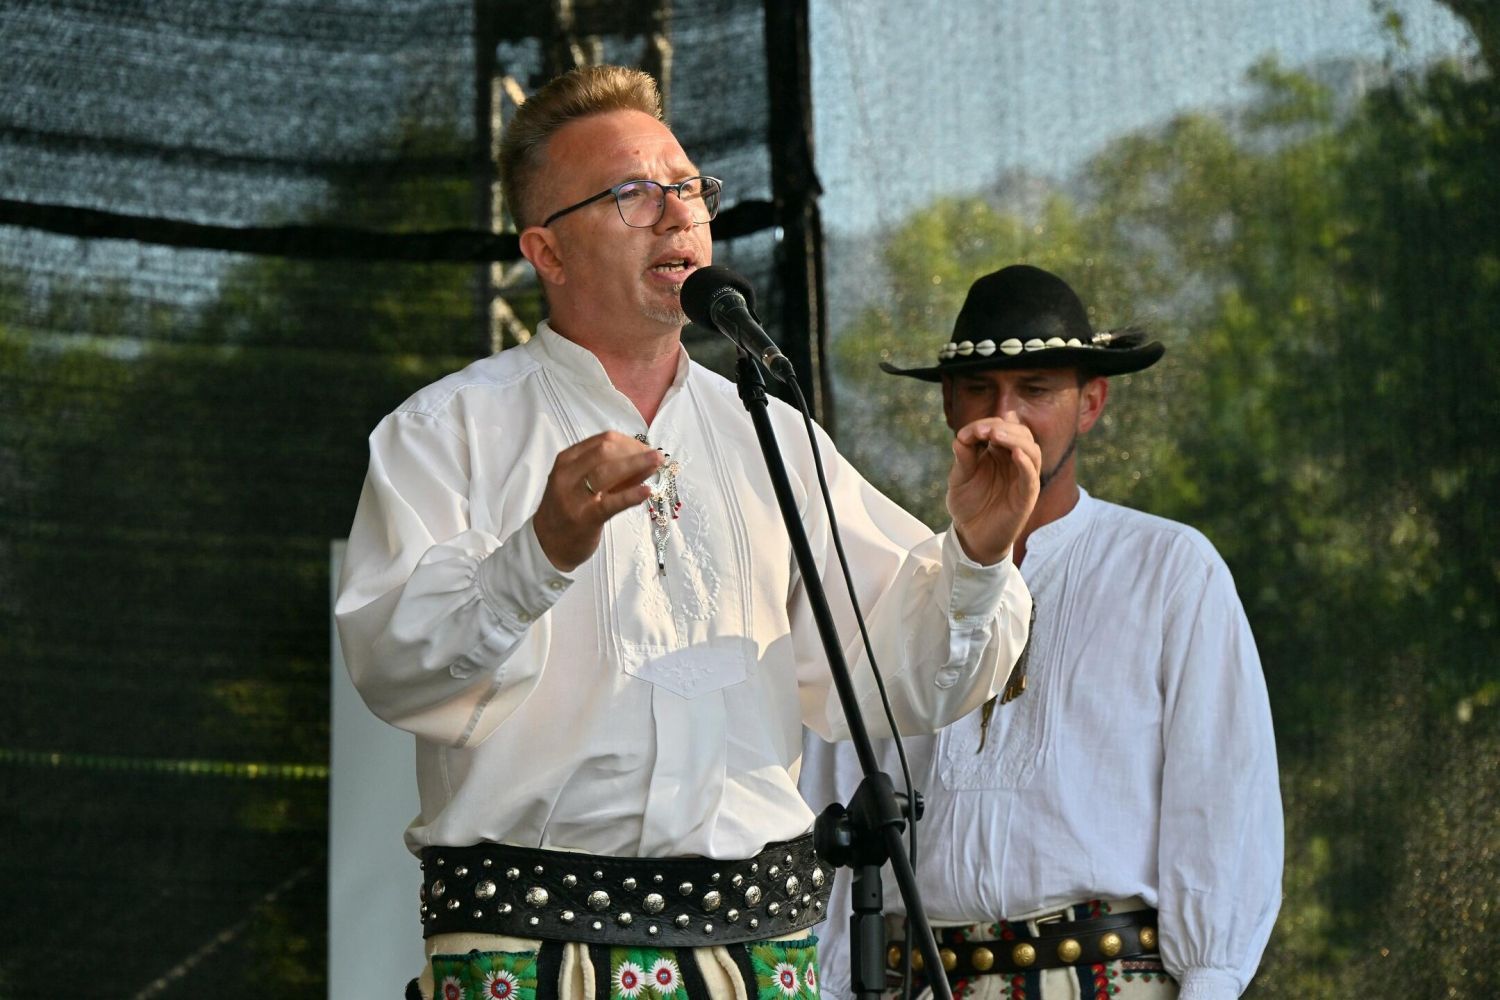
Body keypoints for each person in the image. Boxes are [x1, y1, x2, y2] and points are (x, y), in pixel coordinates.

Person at [334, 65, 1041, 1000]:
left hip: (756, 954)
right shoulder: (446, 432)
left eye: (690, 188)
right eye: (633, 193)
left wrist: (976, 557)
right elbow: (394, 663)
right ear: (547, 251)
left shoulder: (770, 432)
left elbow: (895, 680)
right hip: (533, 949)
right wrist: (537, 554)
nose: (678, 215)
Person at [800, 265, 1283, 1000]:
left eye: (1036, 389)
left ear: (1091, 403)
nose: (1006, 416)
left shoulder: (1168, 568)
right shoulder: (892, 581)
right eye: (980, 389)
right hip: (920, 981)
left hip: (1108, 979)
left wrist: (1210, 982)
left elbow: (1223, 803)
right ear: (948, 403)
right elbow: (828, 805)